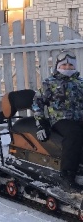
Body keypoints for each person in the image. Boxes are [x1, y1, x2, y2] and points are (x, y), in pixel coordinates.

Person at [32, 51, 83, 192]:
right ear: (58, 66)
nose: (67, 67)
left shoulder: (80, 82)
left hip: (79, 118)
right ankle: (67, 177)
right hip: (60, 120)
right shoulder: (49, 83)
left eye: (70, 65)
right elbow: (38, 103)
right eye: (64, 64)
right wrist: (41, 123)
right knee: (74, 134)